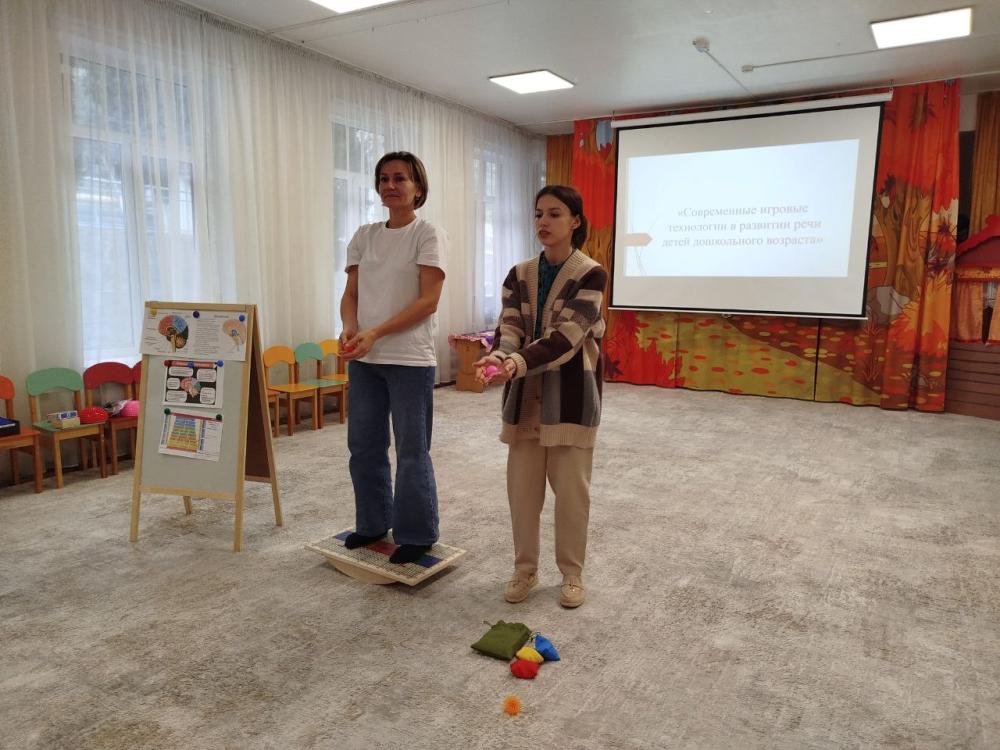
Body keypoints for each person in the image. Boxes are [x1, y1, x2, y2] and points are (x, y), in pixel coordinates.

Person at [474, 185, 607, 608]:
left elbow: (567, 338)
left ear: (575, 221)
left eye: (554, 213)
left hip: (570, 398)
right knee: (523, 493)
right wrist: (498, 356)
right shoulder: (518, 273)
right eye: (538, 214)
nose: (543, 222)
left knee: (571, 495)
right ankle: (524, 569)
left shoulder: (591, 274)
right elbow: (509, 328)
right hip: (525, 400)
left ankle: (572, 574)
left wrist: (514, 363)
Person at [338, 151, 447, 565]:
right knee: (363, 445)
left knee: (412, 450)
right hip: (364, 358)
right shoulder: (364, 235)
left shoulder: (427, 234)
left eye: (400, 178)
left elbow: (428, 301)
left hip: (410, 359)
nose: (390, 185)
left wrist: (376, 333)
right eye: (383, 178)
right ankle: (371, 523)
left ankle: (417, 533)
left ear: (418, 187)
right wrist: (350, 328)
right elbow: (351, 295)